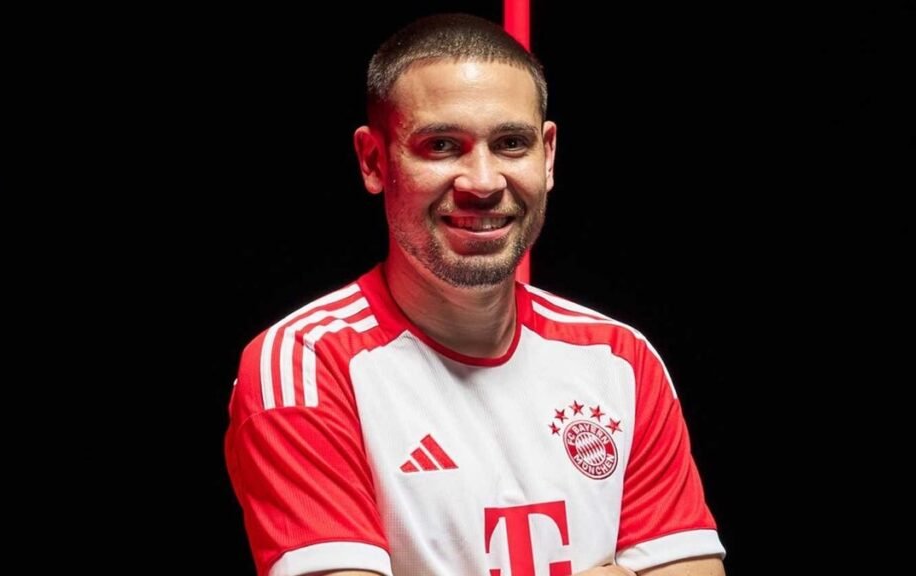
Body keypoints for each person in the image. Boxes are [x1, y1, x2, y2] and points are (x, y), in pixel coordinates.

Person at [225, 12, 726, 576]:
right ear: (373, 161)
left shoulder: (620, 358)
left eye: (511, 144)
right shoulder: (305, 364)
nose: (483, 182)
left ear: (548, 155)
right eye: (442, 145)